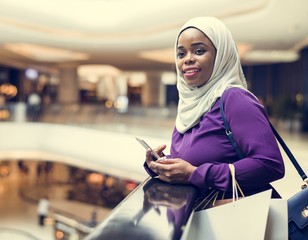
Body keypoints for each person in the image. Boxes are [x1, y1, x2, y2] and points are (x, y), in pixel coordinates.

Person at [144, 17, 285, 201]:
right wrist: (161, 164)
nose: (188, 59)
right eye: (181, 54)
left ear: (220, 55)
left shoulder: (235, 99)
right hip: (201, 219)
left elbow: (270, 165)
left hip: (238, 220)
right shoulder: (191, 104)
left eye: (199, 51)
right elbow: (201, 158)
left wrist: (195, 174)